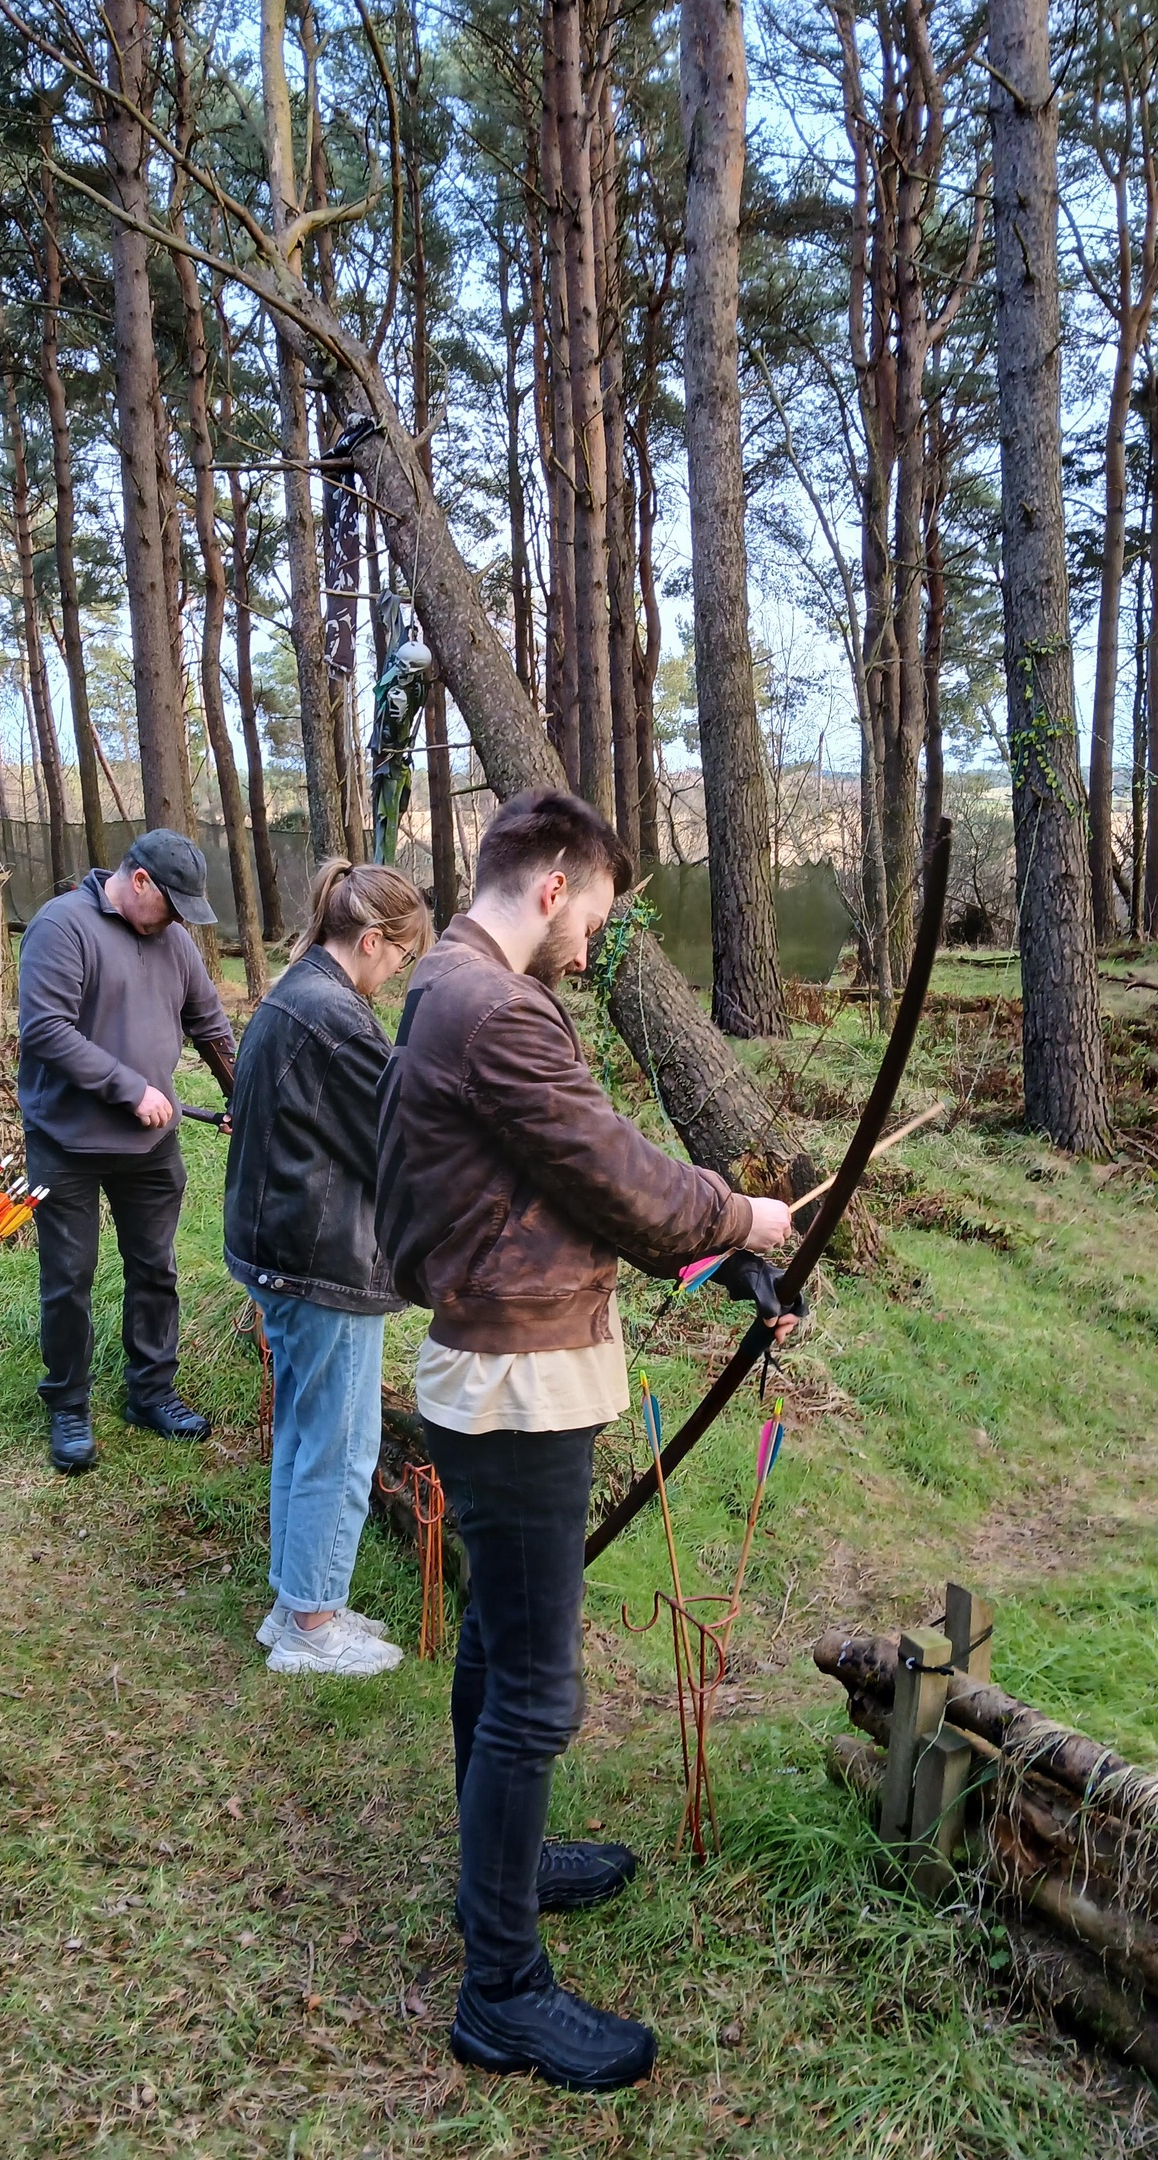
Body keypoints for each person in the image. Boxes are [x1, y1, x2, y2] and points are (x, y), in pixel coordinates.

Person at [375, 789, 799, 2092]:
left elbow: (558, 1184)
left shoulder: (450, 984)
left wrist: (708, 1255)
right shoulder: (494, 1006)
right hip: (515, 1382)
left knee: (499, 1652)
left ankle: (496, 1874)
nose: (598, 938)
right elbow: (612, 1168)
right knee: (535, 1691)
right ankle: (500, 1990)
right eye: (602, 908)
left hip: (502, 1360)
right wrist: (741, 1219)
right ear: (553, 883)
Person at [225, 861, 433, 1678]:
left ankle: (297, 1604)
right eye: (400, 956)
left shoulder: (294, 991)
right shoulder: (334, 1017)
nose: (397, 973)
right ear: (372, 939)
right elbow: (398, 1142)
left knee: (307, 1433)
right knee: (341, 1446)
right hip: (321, 1263)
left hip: (284, 1252)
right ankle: (313, 1625)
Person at [17, 830, 237, 1473]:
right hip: (67, 1143)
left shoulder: (172, 942)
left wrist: (242, 1098)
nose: (176, 922)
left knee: (155, 1269)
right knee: (68, 1279)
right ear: (138, 881)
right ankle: (67, 1404)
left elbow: (210, 1025)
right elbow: (46, 1031)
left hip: (150, 1147)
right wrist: (128, 1086)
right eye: (171, 904)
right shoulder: (62, 926)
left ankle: (151, 1391)